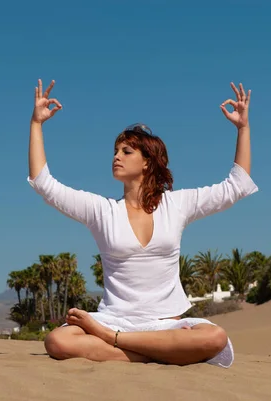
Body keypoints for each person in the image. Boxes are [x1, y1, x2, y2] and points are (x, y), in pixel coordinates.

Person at [27, 79, 258, 368]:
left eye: (126, 152)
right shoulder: (102, 211)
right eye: (115, 151)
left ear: (147, 162)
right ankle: (154, 353)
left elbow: (236, 186)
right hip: (114, 318)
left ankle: (115, 342)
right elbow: (44, 184)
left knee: (215, 337)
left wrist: (243, 128)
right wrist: (36, 123)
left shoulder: (176, 205)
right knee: (57, 341)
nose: (116, 157)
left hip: (164, 324)